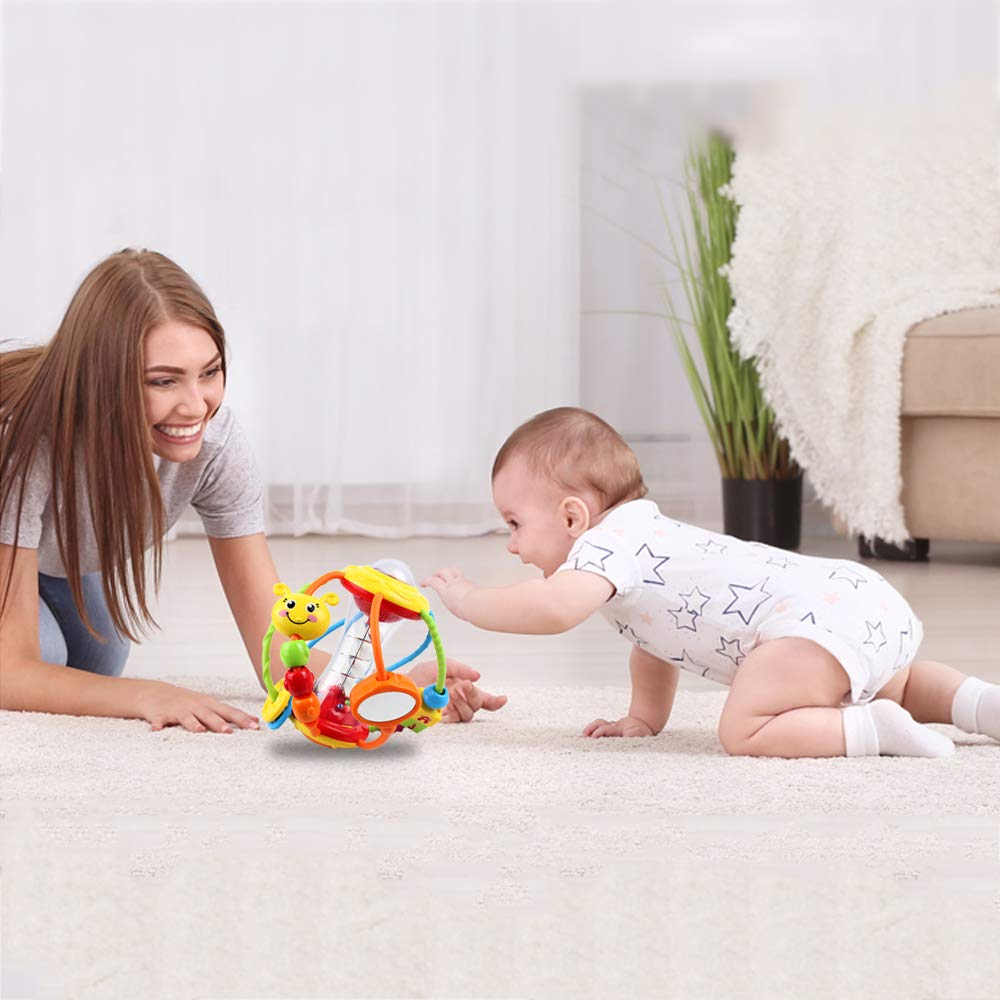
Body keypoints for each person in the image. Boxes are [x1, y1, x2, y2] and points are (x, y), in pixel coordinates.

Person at [0, 249, 505, 733]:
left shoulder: (215, 444)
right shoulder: (21, 438)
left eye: (209, 372)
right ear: (98, 378)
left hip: (49, 562)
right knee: (45, 660)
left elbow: (274, 647)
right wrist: (148, 694)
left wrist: (392, 686)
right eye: (163, 381)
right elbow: (12, 675)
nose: (196, 406)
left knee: (97, 658)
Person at [423, 406, 1000, 758]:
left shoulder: (604, 546)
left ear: (573, 516)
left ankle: (872, 730)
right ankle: (978, 704)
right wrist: (644, 719)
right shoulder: (643, 536)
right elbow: (655, 641)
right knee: (898, 682)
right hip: (858, 599)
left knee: (745, 729)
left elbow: (552, 610)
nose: (512, 544)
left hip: (805, 627)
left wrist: (470, 601)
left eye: (515, 524)